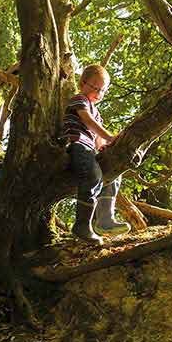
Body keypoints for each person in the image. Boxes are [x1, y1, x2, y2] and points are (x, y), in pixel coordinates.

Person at [62, 64, 130, 245]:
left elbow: (98, 139)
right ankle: (82, 225)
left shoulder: (98, 113)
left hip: (90, 149)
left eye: (103, 91)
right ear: (83, 83)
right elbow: (87, 121)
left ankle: (105, 219)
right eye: (95, 88)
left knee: (113, 174)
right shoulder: (80, 100)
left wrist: (105, 145)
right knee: (93, 177)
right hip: (77, 144)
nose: (99, 94)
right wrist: (109, 136)